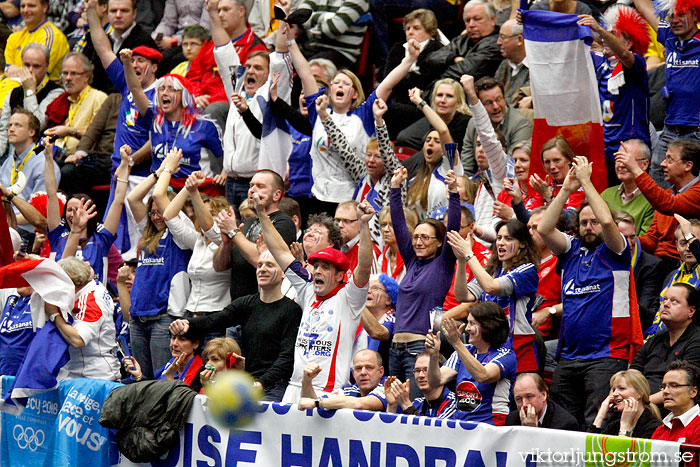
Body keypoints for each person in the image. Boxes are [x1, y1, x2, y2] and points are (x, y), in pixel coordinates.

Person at [538, 156, 634, 426]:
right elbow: (545, 228)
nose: (589, 227)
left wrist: (587, 182)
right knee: (562, 424)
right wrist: (566, 190)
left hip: (605, 355)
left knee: (596, 423)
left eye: (592, 222)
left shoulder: (616, 251)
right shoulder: (571, 251)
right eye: (583, 223)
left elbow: (606, 220)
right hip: (569, 356)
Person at [256, 193, 374, 402]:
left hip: (328, 393)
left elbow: (363, 267)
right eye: (316, 266)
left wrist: (364, 227)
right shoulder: (308, 288)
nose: (317, 271)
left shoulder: (350, 299)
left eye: (325, 268)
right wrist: (262, 214)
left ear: (340, 275)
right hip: (294, 388)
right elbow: (280, 251)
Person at [288, 29, 421, 211]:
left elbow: (388, 84)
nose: (340, 85)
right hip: (318, 196)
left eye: (346, 84)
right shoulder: (318, 110)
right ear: (330, 89)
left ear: (355, 93)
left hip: (352, 199)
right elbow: (305, 74)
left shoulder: (363, 114)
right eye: (336, 82)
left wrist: (409, 60)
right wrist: (290, 41)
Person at [169, 250, 302, 401]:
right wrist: (187, 323)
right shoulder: (246, 303)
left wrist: (261, 383)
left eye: (270, 265)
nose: (263, 269)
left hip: (274, 386)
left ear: (284, 273)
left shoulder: (291, 310)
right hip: (248, 383)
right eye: (259, 265)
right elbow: (215, 320)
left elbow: (287, 356)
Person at [212, 0, 291, 208]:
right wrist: (211, 11)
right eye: (248, 67)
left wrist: (283, 18)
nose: (251, 71)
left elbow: (281, 57)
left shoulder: (270, 95)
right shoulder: (237, 89)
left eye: (258, 67)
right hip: (231, 181)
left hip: (257, 183)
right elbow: (223, 50)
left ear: (269, 74)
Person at [388, 167, 460, 395]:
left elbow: (454, 226)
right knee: (393, 407)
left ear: (439, 242)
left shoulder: (443, 264)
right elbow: (399, 225)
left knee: (415, 407)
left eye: (425, 237)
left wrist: (454, 194)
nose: (418, 242)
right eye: (416, 237)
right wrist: (395, 188)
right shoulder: (412, 262)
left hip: (420, 349)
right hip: (395, 348)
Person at [125, 150, 192, 380]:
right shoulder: (148, 233)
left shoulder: (180, 234)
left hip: (162, 319)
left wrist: (168, 170)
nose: (156, 217)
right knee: (141, 381)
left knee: (162, 380)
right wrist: (157, 172)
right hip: (137, 318)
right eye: (153, 212)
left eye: (160, 212)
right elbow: (133, 198)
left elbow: (162, 199)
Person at [120, 49, 223, 187]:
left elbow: (226, 156)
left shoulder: (203, 125)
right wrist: (127, 63)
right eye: (161, 89)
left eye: (171, 89)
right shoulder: (154, 119)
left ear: (184, 96)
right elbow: (135, 89)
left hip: (193, 191)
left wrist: (224, 174)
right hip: (160, 190)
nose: (164, 93)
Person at [449, 218, 540, 373]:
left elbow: (490, 287)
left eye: (508, 238)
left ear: (523, 244)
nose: (501, 243)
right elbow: (462, 295)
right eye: (499, 238)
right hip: (492, 346)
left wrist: (470, 254)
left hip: (519, 348)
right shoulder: (491, 271)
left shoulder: (527, 270)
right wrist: (461, 260)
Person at [152, 162, 231, 326]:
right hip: (191, 314)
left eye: (212, 214)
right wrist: (188, 187)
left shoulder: (228, 241)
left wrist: (194, 191)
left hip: (216, 316)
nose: (206, 217)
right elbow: (169, 215)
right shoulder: (197, 241)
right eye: (201, 212)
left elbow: (211, 229)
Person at [578, 9, 651, 185]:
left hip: (629, 150)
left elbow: (625, 56)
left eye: (613, 35)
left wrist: (600, 30)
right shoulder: (599, 64)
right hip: (603, 149)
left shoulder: (636, 65)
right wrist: (531, 23)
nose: (604, 39)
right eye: (605, 34)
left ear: (629, 42)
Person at [633, 0, 700, 190]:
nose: (675, 20)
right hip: (671, 128)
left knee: (692, 187)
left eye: (681, 15)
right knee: (658, 173)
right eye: (671, 16)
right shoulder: (669, 38)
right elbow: (645, 8)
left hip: (696, 130)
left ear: (695, 16)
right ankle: (660, 220)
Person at [44, 137, 129, 285]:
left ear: (90, 213)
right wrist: (48, 157)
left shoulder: (101, 237)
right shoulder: (58, 233)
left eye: (79, 210)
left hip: (92, 300)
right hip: (63, 298)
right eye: (69, 210)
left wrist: (125, 164)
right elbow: (51, 194)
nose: (74, 214)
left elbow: (118, 201)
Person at [320, 96, 405, 244]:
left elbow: (387, 152)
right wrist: (324, 116)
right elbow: (343, 149)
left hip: (386, 245)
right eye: (368, 155)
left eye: (377, 157)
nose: (371, 161)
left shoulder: (396, 179)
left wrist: (379, 121)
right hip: (360, 245)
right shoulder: (362, 175)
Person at [617, 139, 700, 278]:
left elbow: (667, 205)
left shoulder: (696, 193)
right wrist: (628, 239)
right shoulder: (668, 195)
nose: (662, 164)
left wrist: (636, 169)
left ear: (688, 165)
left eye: (670, 160)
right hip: (658, 264)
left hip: (684, 264)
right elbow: (652, 240)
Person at [212, 169, 296, 302]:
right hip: (238, 306)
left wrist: (233, 232)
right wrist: (226, 244)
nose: (252, 190)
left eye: (260, 186)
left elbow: (262, 262)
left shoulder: (284, 223)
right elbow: (219, 266)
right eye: (251, 185)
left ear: (276, 195)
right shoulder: (246, 222)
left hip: (264, 306)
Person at [426, 304, 516, 425]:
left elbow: (483, 376)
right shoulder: (464, 351)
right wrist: (434, 355)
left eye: (472, 324)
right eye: (467, 323)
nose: (467, 329)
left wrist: (457, 343)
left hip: (491, 428)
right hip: (462, 426)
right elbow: (435, 381)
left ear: (488, 326)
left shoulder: (506, 355)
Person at [49, 256, 121, 381]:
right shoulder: (93, 286)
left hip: (93, 377)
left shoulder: (90, 300)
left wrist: (55, 315)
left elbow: (78, 340)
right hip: (83, 373)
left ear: (70, 282)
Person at [633, 282, 700, 406]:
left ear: (691, 311)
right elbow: (633, 373)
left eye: (674, 301)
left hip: (670, 408)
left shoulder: (696, 340)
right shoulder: (655, 339)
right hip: (640, 405)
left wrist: (641, 403)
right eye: (664, 300)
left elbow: (682, 386)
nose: (666, 304)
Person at [380, 8, 445, 137]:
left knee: (390, 111)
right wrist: (412, 75)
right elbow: (387, 78)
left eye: (416, 28)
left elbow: (427, 81)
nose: (410, 32)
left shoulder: (437, 49)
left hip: (422, 104)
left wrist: (403, 76)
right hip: (397, 99)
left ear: (429, 30)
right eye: (408, 28)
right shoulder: (398, 48)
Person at [403, 87, 463, 218]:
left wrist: (420, 102)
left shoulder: (449, 167)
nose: (430, 143)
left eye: (436, 141)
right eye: (428, 140)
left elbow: (443, 131)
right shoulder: (416, 179)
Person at [79, 0, 159, 94]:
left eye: (124, 11)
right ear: (107, 13)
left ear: (134, 13)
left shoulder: (144, 42)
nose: (118, 15)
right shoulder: (101, 40)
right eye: (113, 11)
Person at [461, 77, 532, 177]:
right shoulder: (473, 124)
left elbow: (510, 167)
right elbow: (466, 166)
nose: (496, 106)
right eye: (489, 102)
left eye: (499, 99)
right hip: (478, 182)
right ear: (480, 106)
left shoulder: (521, 125)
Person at [0, 43, 62, 157]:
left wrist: (30, 92)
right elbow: (3, 131)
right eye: (26, 65)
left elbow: (37, 125)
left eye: (36, 66)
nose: (30, 70)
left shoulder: (56, 93)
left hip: (39, 153)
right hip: (11, 155)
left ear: (47, 66)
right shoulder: (13, 93)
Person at [44, 52, 108, 157]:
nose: (68, 78)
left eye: (74, 73)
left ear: (87, 76)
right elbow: (59, 134)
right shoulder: (62, 99)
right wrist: (42, 146)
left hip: (82, 159)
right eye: (65, 73)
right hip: (57, 154)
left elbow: (99, 137)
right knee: (32, 157)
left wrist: (71, 131)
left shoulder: (98, 98)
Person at [59, 92, 121, 195]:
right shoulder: (114, 99)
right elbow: (93, 130)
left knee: (68, 172)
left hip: (121, 160)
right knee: (59, 166)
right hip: (101, 158)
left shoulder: (146, 101)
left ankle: (82, 207)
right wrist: (80, 153)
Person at [425, 0, 501, 81]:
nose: (471, 25)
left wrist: (436, 75)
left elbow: (466, 72)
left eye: (477, 19)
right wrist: (453, 58)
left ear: (492, 20)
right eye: (467, 20)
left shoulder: (497, 43)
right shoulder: (462, 39)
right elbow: (430, 58)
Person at [614, 210, 664, 332]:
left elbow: (647, 313)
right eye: (624, 237)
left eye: (632, 237)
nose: (630, 243)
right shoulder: (601, 260)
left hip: (635, 329)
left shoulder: (651, 266)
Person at [396, 78, 471, 159]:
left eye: (449, 96)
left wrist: (419, 102)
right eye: (439, 95)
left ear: (459, 103)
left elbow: (450, 154)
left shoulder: (465, 123)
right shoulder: (435, 119)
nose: (442, 100)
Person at [0, 109, 60, 207]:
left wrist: (7, 220)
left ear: (31, 132)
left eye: (18, 125)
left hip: (25, 221)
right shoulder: (8, 162)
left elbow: (40, 213)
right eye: (10, 125)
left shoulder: (44, 165)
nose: (11, 129)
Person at [297, 349, 387, 411]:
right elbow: (309, 404)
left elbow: (359, 404)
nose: (363, 372)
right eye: (359, 368)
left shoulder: (389, 386)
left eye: (369, 368)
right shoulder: (349, 390)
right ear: (353, 373)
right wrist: (307, 381)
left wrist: (317, 402)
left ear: (381, 371)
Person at [4, 0, 69, 83]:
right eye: (23, 6)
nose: (26, 10)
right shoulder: (15, 37)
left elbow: (36, 76)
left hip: (43, 93)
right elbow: (8, 71)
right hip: (13, 89)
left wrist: (16, 71)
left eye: (31, 6)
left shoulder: (52, 36)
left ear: (44, 8)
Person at [125, 326, 205, 392]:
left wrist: (169, 377)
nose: (174, 344)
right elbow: (152, 395)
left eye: (182, 340)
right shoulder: (168, 366)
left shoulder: (202, 374)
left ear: (196, 344)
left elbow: (181, 403)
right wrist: (139, 376)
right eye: (173, 338)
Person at [601, 140, 655, 236]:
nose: (621, 165)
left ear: (645, 164)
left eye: (627, 160)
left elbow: (646, 241)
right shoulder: (606, 194)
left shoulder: (653, 198)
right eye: (618, 160)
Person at [295, 0, 370, 68]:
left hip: (340, 52)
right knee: (286, 59)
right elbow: (297, 17)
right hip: (310, 48)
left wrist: (310, 30)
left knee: (310, 69)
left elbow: (333, 29)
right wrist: (326, 16)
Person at [589, 369, 662, 438]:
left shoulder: (654, 428)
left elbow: (624, 451)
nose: (614, 394)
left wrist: (625, 427)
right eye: (614, 389)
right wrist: (600, 416)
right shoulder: (614, 425)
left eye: (622, 388)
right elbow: (588, 448)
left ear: (639, 393)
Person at [384, 352, 457, 418]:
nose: (421, 375)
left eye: (426, 370)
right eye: (417, 371)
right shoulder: (417, 403)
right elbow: (395, 431)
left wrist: (406, 404)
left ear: (440, 373)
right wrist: (392, 406)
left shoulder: (454, 404)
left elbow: (430, 432)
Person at [530, 136, 586, 212]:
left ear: (569, 159)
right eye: (547, 162)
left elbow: (568, 220)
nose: (552, 166)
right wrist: (517, 199)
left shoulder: (578, 184)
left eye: (556, 160)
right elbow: (530, 218)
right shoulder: (545, 186)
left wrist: (548, 196)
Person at [506, 372, 579, 430]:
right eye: (518, 399)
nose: (524, 404)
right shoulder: (511, 420)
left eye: (529, 397)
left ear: (544, 395)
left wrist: (532, 431)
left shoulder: (565, 424)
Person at [652, 360, 700, 444]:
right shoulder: (660, 430)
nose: (665, 391)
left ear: (693, 392)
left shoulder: (697, 426)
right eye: (663, 387)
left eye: (674, 386)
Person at [354, 274, 397, 366]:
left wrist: (357, 301)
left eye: (375, 288)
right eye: (367, 288)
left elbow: (378, 332)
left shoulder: (394, 318)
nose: (368, 291)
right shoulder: (359, 322)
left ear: (389, 299)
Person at [377, 206, 418, 283]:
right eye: (383, 225)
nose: (386, 230)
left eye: (392, 225)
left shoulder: (414, 258)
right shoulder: (382, 258)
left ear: (406, 228)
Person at [494, 19, 529, 106]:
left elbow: (516, 102)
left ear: (519, 40)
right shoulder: (504, 65)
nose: (498, 42)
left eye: (503, 37)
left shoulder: (537, 68)